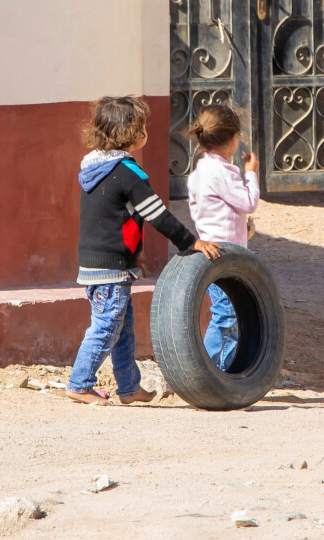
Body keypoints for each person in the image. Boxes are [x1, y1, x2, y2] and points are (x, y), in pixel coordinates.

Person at [67, 96, 222, 406]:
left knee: (121, 327)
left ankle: (129, 387)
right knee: (107, 324)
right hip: (111, 266)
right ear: (130, 134)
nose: (145, 131)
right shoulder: (128, 173)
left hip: (94, 263)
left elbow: (109, 219)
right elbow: (158, 215)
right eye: (142, 126)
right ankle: (79, 383)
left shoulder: (92, 169)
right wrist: (191, 242)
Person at [187, 104, 260, 371]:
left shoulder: (198, 173)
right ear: (231, 139)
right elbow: (249, 202)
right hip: (226, 255)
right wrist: (251, 172)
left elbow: (199, 210)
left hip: (210, 247)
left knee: (225, 312)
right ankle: (210, 373)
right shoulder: (222, 173)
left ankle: (217, 371)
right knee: (227, 315)